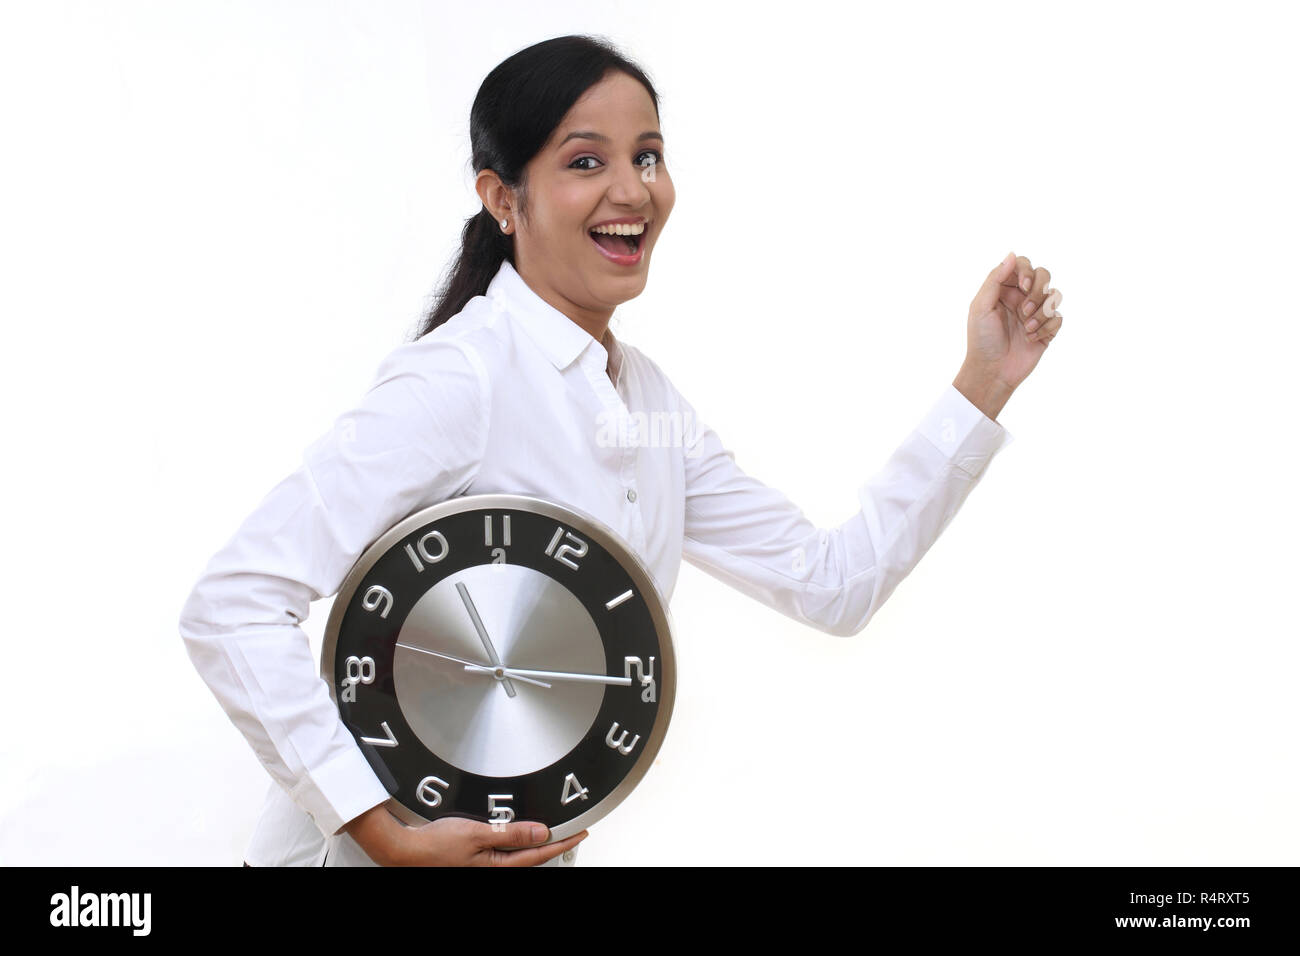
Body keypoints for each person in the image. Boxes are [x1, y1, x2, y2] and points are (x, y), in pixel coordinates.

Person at [178, 34, 1064, 868]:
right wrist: (380, 831)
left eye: (647, 155)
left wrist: (982, 385)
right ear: (502, 198)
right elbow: (232, 604)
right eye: (584, 161)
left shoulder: (644, 402)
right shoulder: (462, 379)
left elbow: (832, 585)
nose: (633, 190)